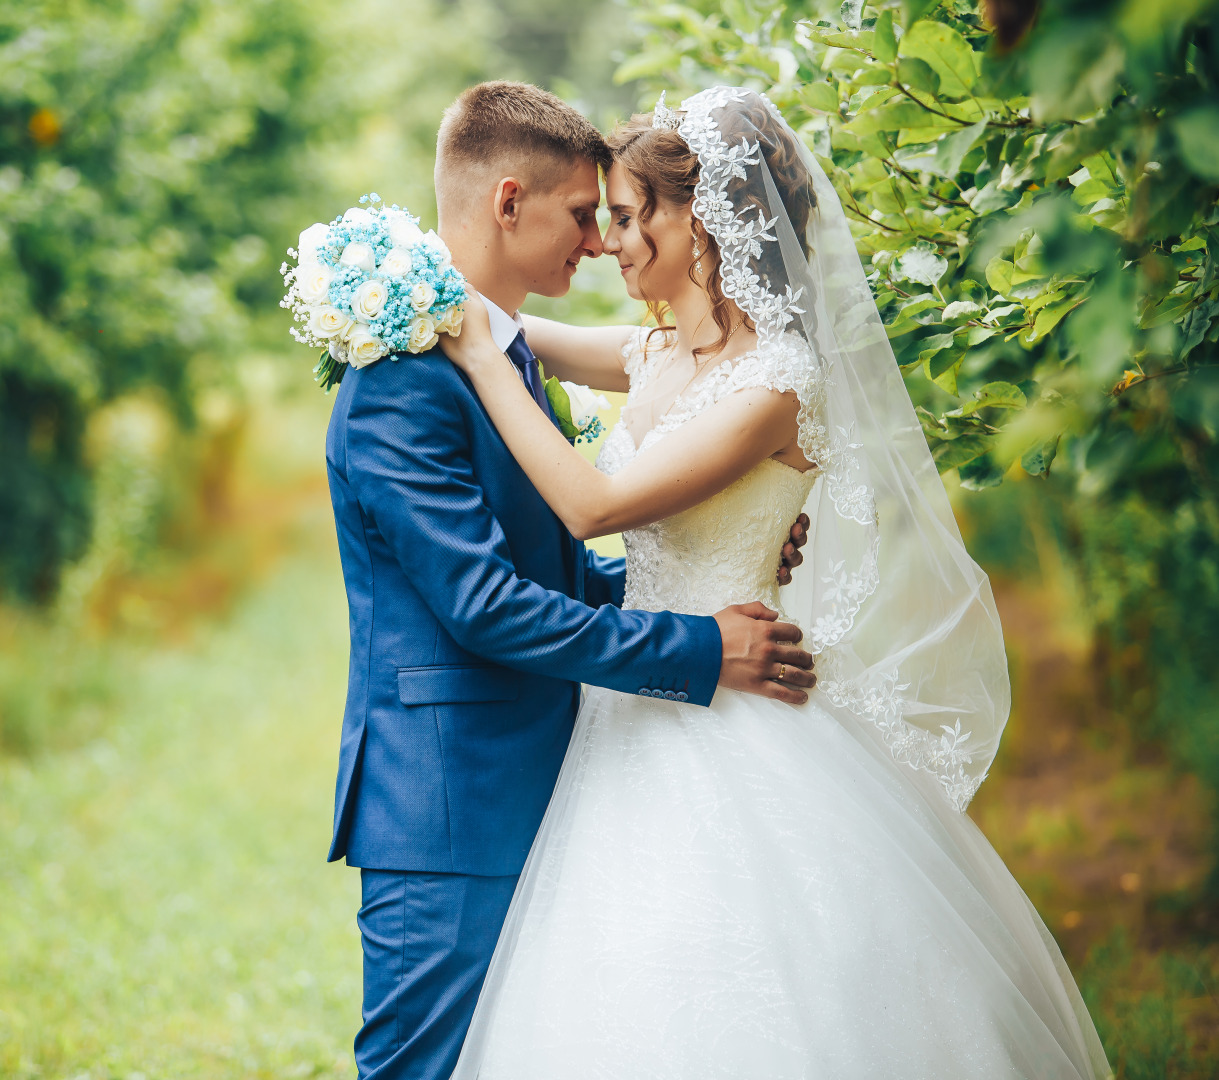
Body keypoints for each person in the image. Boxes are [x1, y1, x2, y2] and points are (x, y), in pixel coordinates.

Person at [440, 86, 1111, 1078]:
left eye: (625, 218)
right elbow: (506, 326)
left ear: (698, 222)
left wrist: (479, 358)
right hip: (634, 700)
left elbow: (587, 504)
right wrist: (398, 284)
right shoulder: (654, 352)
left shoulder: (773, 384)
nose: (608, 245)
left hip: (732, 708)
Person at [322, 82, 815, 1080]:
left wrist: (712, 545)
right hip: (451, 798)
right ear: (509, 203)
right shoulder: (405, 384)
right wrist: (697, 642)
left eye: (617, 218)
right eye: (587, 215)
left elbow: (542, 561)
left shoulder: (494, 354)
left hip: (557, 775)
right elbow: (486, 605)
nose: (598, 244)